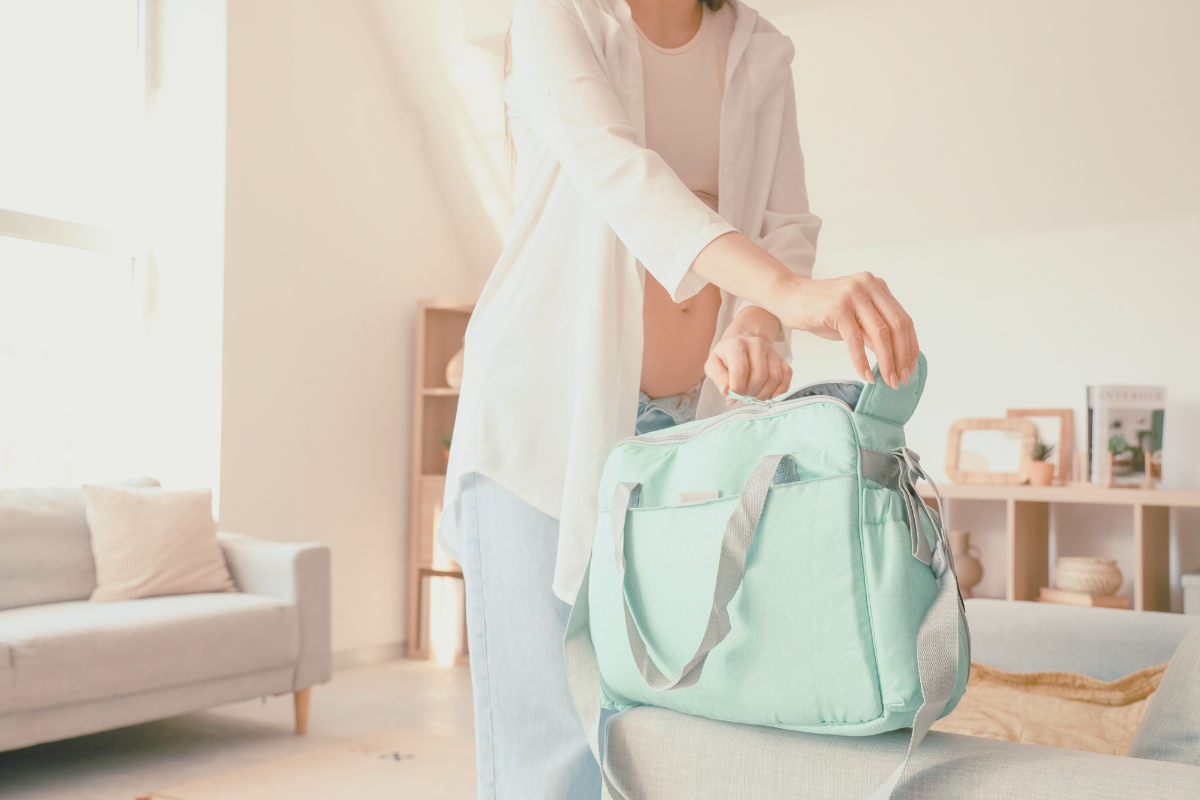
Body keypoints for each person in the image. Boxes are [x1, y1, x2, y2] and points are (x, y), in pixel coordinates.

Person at [437, 0, 920, 796]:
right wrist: (792, 292)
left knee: (665, 729)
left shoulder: (760, 50)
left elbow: (784, 221)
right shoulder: (557, 15)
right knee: (553, 754)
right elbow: (620, 176)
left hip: (686, 432)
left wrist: (759, 324)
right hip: (541, 425)